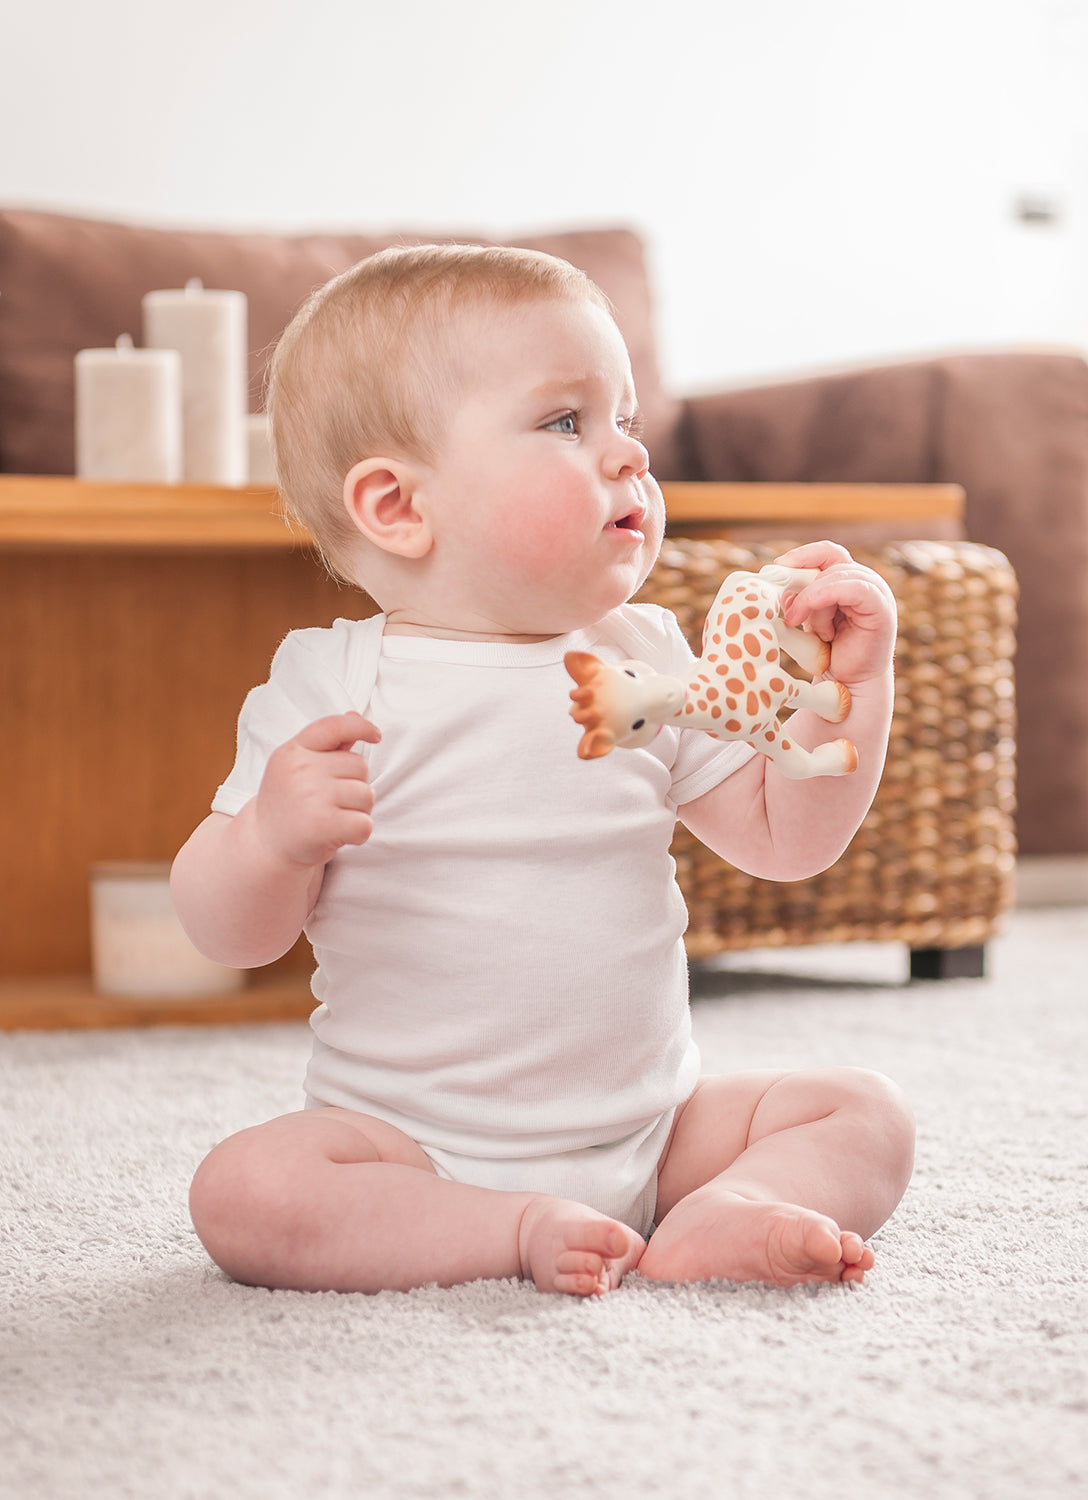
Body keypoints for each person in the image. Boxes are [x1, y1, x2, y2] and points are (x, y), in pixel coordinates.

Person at [172, 244, 915, 1298]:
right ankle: (506, 1229)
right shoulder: (336, 681)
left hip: (657, 1132)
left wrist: (851, 689)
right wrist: (268, 840)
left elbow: (788, 842)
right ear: (397, 506)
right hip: (412, 1150)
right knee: (245, 1192)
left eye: (627, 421)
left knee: (866, 1111)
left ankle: (722, 1209)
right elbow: (221, 931)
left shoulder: (647, 653)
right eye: (569, 422)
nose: (628, 459)